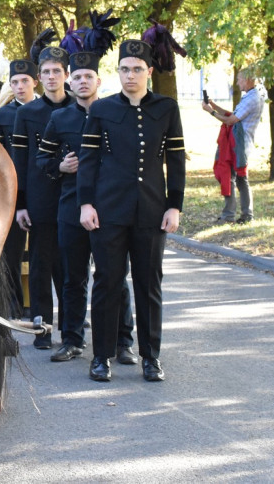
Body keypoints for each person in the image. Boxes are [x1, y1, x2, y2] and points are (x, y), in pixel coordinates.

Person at [78, 39, 185, 382]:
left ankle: (151, 357)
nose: (130, 75)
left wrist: (175, 206)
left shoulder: (167, 108)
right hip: (108, 210)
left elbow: (176, 160)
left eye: (137, 69)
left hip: (152, 211)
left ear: (149, 72)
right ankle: (102, 357)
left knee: (149, 284)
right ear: (118, 72)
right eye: (124, 69)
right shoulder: (102, 110)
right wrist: (85, 203)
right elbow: (88, 161)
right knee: (107, 281)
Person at [36, 50, 136, 365]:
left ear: (98, 80)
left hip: (110, 209)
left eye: (87, 76)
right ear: (70, 79)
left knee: (114, 277)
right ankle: (72, 339)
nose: (82, 81)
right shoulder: (60, 118)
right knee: (72, 277)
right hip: (70, 208)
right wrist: (60, 167)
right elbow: (42, 159)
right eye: (76, 76)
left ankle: (123, 342)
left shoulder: (116, 112)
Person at [13, 44, 73, 350]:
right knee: (39, 267)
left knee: (70, 267)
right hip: (40, 199)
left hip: (74, 198)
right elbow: (19, 163)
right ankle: (42, 328)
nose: (51, 77)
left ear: (67, 75)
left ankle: (71, 331)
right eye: (46, 72)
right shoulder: (26, 113)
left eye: (56, 72)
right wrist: (20, 204)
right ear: (40, 76)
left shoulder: (80, 108)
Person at [0, 59, 38, 318]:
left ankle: (56, 309)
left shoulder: (47, 111)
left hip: (42, 186)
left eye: (24, 81)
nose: (19, 86)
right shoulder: (3, 115)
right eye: (15, 82)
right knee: (11, 253)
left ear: (35, 82)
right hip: (12, 190)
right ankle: (13, 305)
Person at [203, 68, 265, 223]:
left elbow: (231, 120)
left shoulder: (252, 98)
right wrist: (214, 105)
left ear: (249, 79)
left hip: (239, 144)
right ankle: (238, 214)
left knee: (236, 177)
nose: (237, 83)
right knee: (234, 177)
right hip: (237, 142)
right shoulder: (250, 96)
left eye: (239, 79)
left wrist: (211, 112)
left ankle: (238, 214)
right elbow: (232, 114)